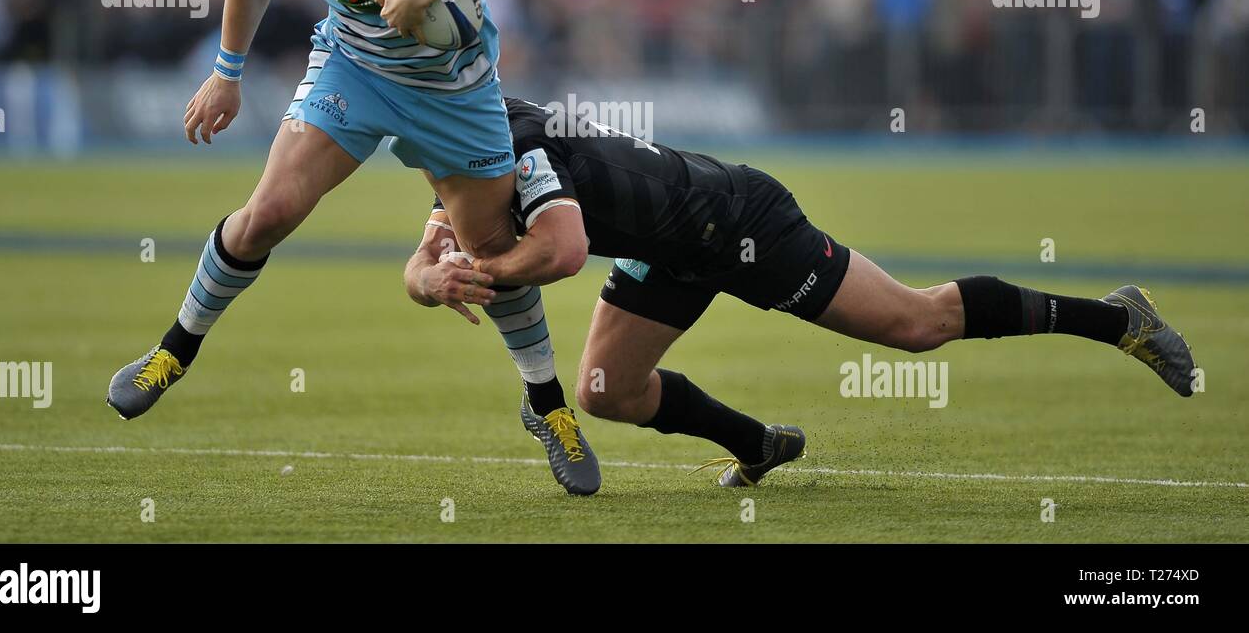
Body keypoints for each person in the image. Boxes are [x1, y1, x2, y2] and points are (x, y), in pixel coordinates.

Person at [106, 0, 598, 496]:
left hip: (454, 91)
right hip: (353, 74)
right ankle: (174, 350)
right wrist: (227, 71)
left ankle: (547, 405)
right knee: (267, 213)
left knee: (494, 249)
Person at [407, 97, 1197, 488]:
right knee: (607, 391)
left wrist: (484, 272)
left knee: (917, 326)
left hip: (742, 221)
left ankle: (1117, 318)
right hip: (669, 253)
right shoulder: (465, 152)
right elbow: (423, 259)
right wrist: (430, 277)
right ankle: (757, 445)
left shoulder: (514, 142)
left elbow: (564, 250)